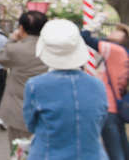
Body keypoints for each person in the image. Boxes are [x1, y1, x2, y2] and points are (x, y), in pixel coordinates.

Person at [24, 19, 109, 160]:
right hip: (91, 154)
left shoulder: (35, 85)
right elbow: (99, 122)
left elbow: (31, 125)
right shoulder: (97, 85)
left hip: (48, 154)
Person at [0, 11, 48, 145]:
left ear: (21, 28)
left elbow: (1, 59)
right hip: (47, 109)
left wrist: (12, 39)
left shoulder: (16, 49)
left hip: (20, 111)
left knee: (20, 151)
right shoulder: (51, 48)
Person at [81, 23, 129, 160]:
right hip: (118, 106)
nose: (112, 32)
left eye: (117, 32)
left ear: (122, 38)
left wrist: (90, 25)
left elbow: (84, 38)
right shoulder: (124, 52)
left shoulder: (114, 50)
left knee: (114, 152)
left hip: (109, 106)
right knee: (123, 148)